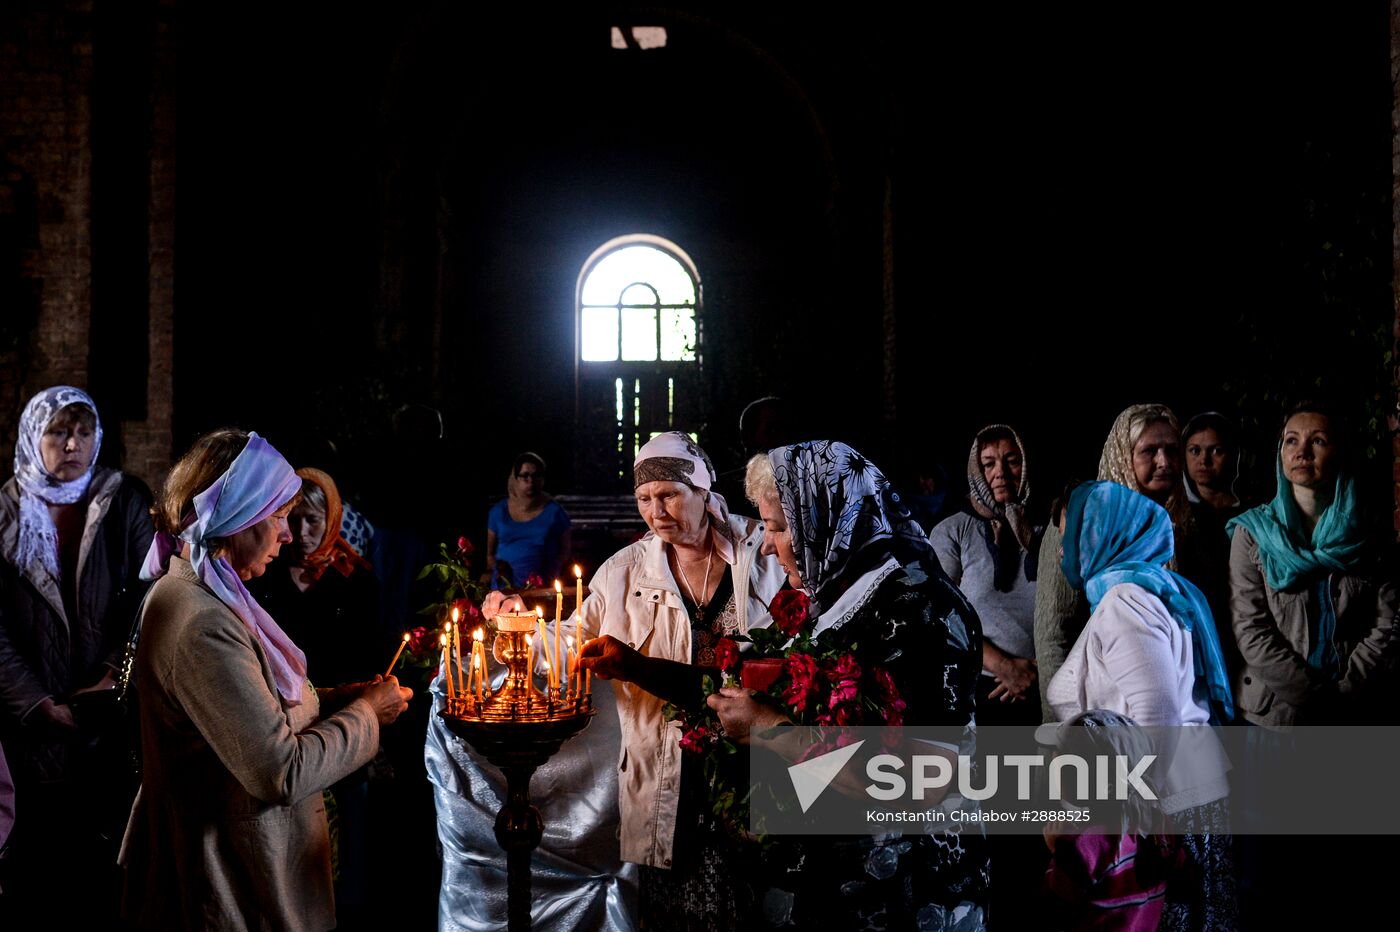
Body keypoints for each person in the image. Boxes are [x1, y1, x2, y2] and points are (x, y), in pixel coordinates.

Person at [118, 429, 411, 931]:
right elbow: (281, 772)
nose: (289, 534)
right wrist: (368, 716)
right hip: (228, 883)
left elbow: (246, 710)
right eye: (278, 516)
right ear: (238, 515)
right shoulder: (203, 622)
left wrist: (339, 699)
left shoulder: (202, 593)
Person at [707, 440, 990, 929]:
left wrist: (771, 730)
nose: (771, 548)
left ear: (828, 519)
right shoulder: (835, 601)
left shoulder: (923, 610)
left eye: (778, 528)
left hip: (904, 892)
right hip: (838, 888)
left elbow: (921, 779)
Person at [574, 432, 787, 930]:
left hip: (759, 764)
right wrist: (516, 624)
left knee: (758, 906)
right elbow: (572, 636)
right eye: (644, 499)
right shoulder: (623, 573)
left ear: (703, 491)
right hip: (672, 778)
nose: (656, 511)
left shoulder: (764, 552)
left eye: (669, 494)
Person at [1045, 481, 1235, 931]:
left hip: (1164, 808)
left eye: (1071, 535)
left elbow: (1159, 712)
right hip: (1185, 794)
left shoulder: (1123, 601)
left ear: (1105, 533)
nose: (1061, 552)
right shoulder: (1153, 589)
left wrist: (1142, 821)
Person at [0, 386, 154, 925]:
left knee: (104, 865)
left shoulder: (123, 501)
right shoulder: (6, 509)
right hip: (28, 725)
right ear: (32, 437)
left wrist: (113, 674)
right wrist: (33, 699)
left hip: (107, 717)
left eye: (83, 432)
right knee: (35, 862)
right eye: (58, 432)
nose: (72, 444)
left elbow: (149, 594)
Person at [247, 467, 383, 922]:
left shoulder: (355, 577)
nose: (302, 533)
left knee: (350, 818)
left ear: (334, 520)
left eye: (314, 521)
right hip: (283, 719)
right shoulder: (262, 576)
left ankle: (348, 908)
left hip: (345, 714)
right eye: (295, 520)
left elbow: (373, 651)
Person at [1227, 402, 1399, 727]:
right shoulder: (1253, 534)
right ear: (1280, 452)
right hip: (1276, 716)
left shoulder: (1369, 535)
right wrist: (1317, 698)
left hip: (1356, 711)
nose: (1302, 452)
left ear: (1340, 452)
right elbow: (1251, 630)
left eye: (1317, 441)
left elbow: (1387, 623)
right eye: (1291, 441)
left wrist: (1347, 693)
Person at [1034, 403, 1190, 722]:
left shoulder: (1184, 525)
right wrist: (1061, 736)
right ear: (1123, 454)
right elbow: (1054, 634)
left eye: (1172, 450)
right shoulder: (1082, 524)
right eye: (1149, 451)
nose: (1164, 462)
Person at [930, 423, 1041, 725]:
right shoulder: (953, 532)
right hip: (981, 691)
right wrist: (1004, 667)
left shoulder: (1052, 528)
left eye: (1012, 460)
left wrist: (1041, 670)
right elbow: (939, 616)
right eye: (988, 464)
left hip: (1048, 684)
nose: (1000, 472)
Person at [1038, 710, 1183, 932]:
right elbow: (1183, 882)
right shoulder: (1158, 825)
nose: (1051, 760)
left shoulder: (1082, 845)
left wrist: (1058, 850)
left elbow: (1054, 913)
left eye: (1058, 755)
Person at [1181, 412, 1247, 679]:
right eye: (1194, 451)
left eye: (1215, 451)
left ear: (1231, 455)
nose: (1203, 461)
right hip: (1196, 637)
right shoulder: (1179, 517)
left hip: (1243, 633)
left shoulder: (1251, 514)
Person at [485, 452, 572, 588]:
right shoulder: (499, 512)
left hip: (543, 584)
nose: (531, 481)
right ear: (516, 478)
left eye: (536, 475)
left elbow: (565, 551)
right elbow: (489, 554)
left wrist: (551, 571)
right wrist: (499, 572)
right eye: (525, 475)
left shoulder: (554, 512)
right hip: (505, 585)